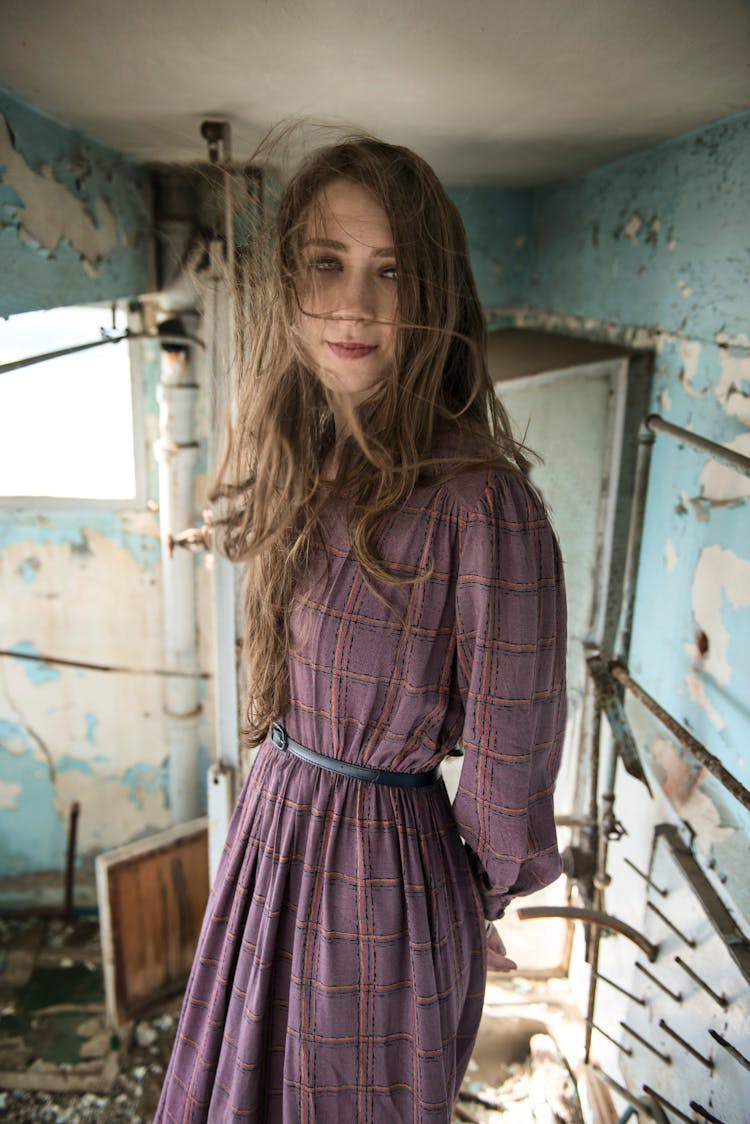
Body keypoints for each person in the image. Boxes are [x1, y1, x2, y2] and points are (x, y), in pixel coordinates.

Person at [155, 134, 566, 1124]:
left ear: (435, 297)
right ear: (290, 286)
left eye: (393, 272)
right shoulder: (313, 455)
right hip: (275, 833)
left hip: (375, 871)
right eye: (328, 265)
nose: (356, 303)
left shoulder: (480, 500)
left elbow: (511, 754)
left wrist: (470, 893)